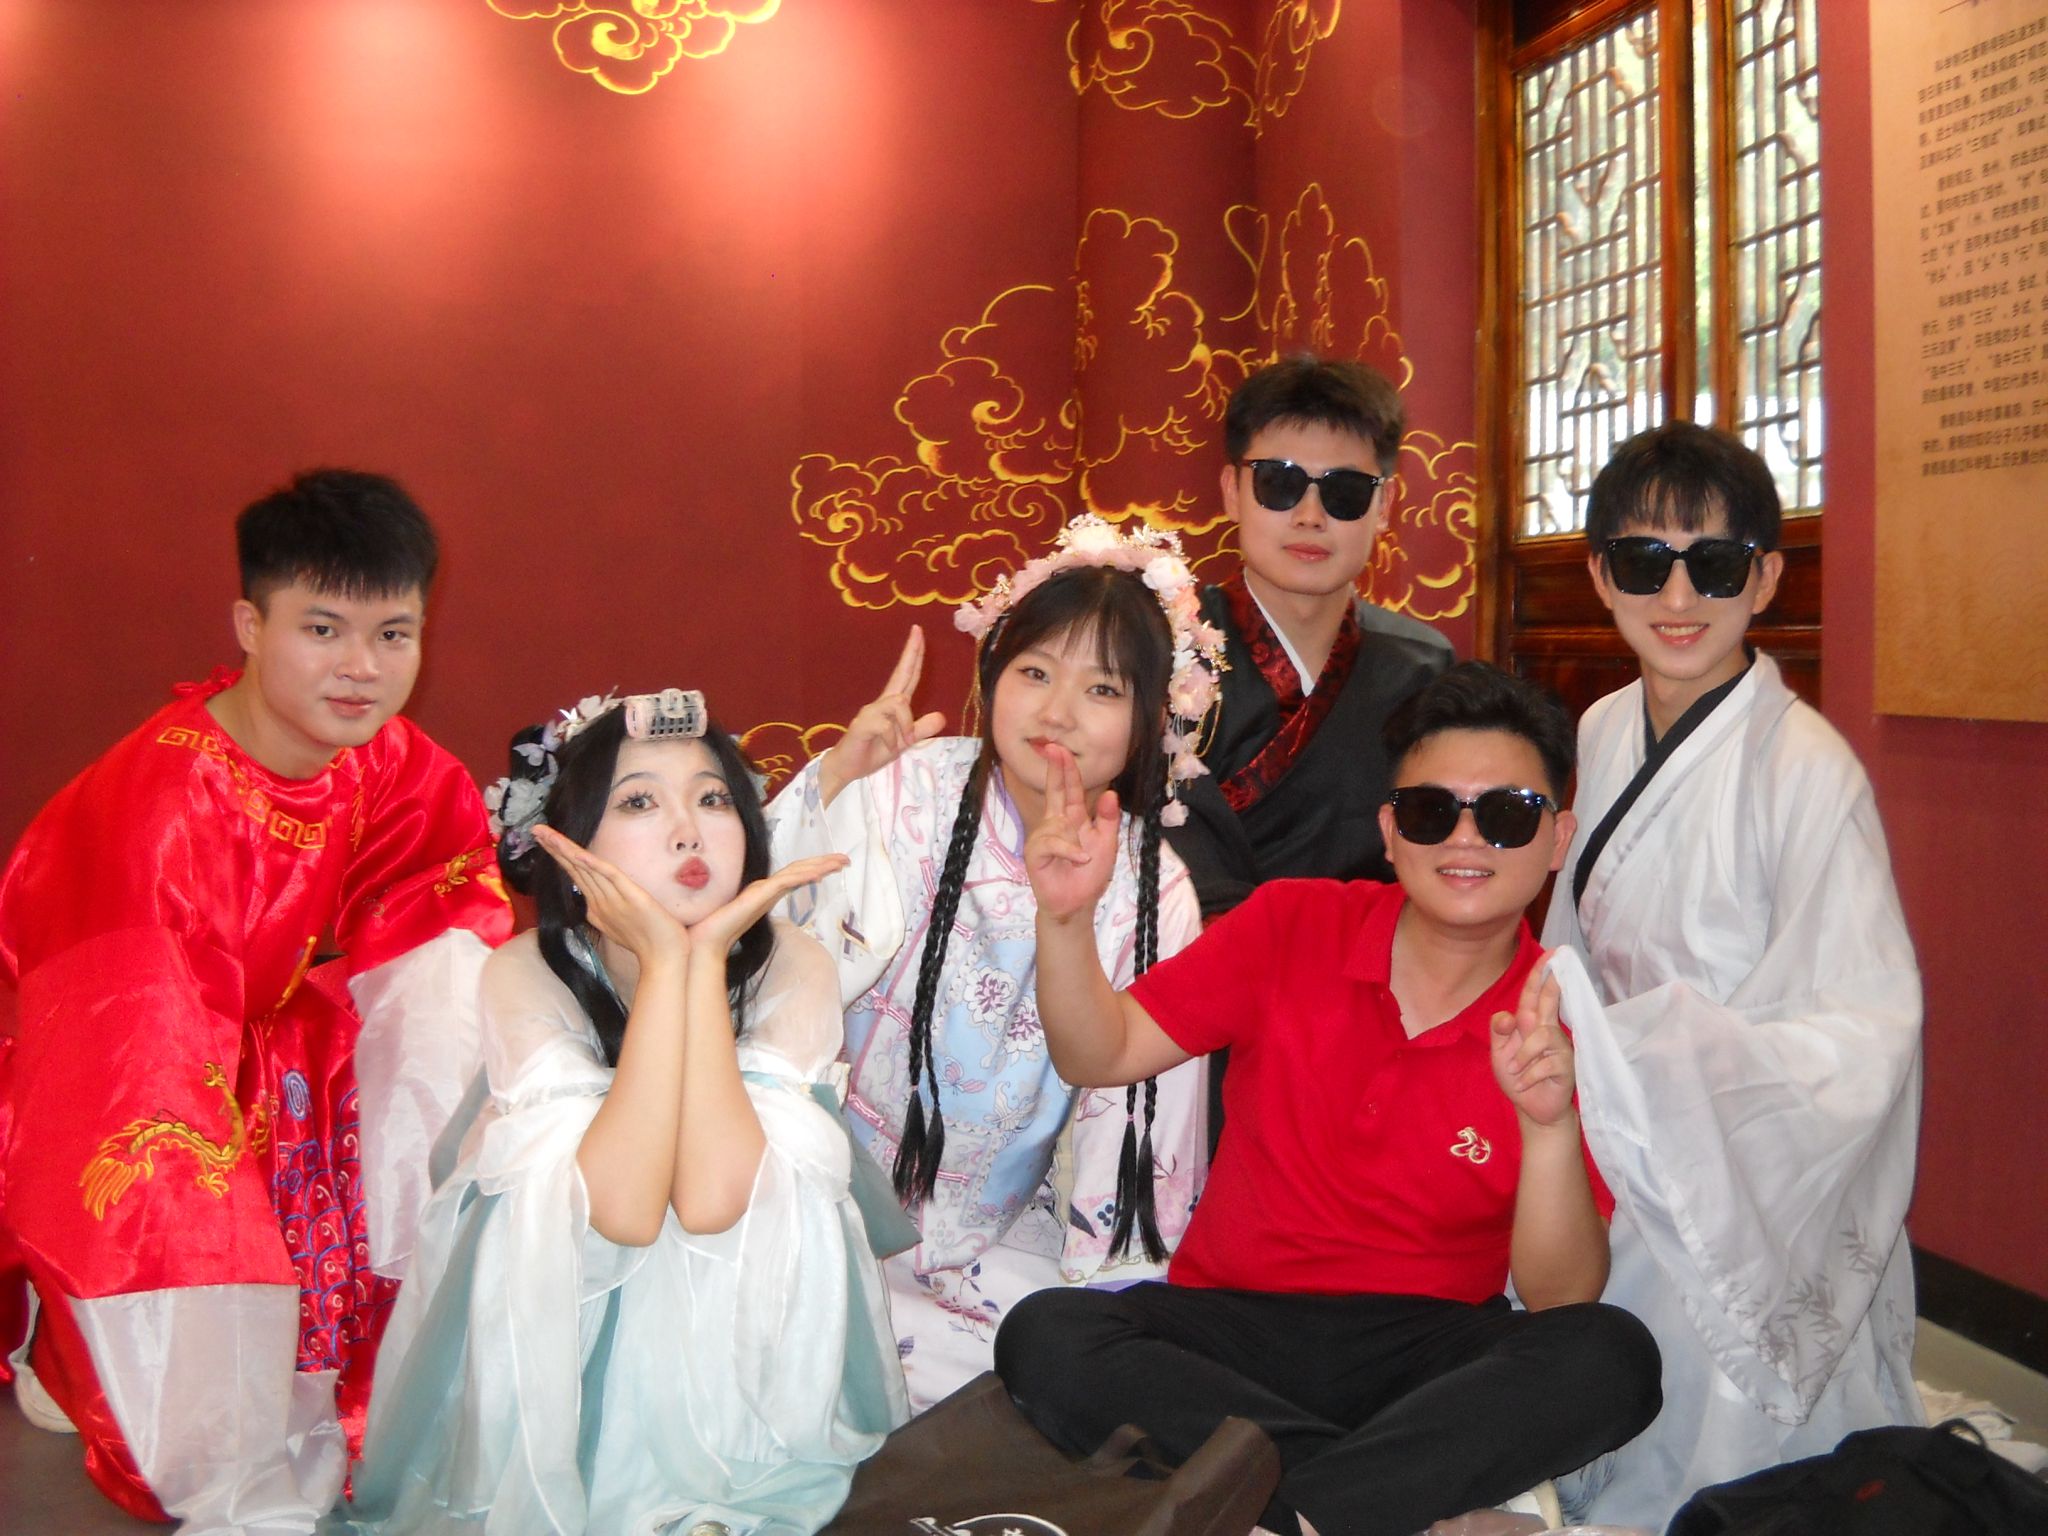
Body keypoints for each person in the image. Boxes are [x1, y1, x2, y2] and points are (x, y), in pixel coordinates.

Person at [996, 662, 1662, 1536]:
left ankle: (1282, 1504)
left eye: (1506, 814)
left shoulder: (1561, 1020)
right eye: (1431, 812)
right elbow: (1100, 1051)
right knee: (1046, 1332)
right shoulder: (1291, 924)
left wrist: (1548, 1128)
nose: (1466, 840)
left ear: (1557, 838)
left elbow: (1560, 1300)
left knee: (1611, 1356)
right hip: (1233, 1331)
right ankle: (1369, 1503)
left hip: (1422, 1350)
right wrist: (1064, 921)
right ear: (1390, 831)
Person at [0, 470, 513, 1532]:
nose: (362, 668)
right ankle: (68, 1339)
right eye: (323, 629)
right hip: (86, 1076)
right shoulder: (163, 813)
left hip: (252, 1051)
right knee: (192, 1397)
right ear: (249, 625)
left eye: (393, 634)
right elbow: (132, 1074)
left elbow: (441, 914)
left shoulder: (383, 759)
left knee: (438, 1041)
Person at [329, 690, 908, 1535]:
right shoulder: (525, 970)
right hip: (568, 1307)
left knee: (777, 1181)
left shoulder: (794, 963)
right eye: (639, 803)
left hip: (742, 1333)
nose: (689, 831)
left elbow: (716, 1203)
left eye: (714, 799)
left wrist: (702, 960)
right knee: (548, 1195)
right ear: (569, 847)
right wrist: (670, 964)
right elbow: (620, 1213)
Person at [1538, 421, 1924, 1527]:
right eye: (1642, 560)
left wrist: (1669, 1053)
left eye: (1712, 563)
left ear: (1763, 577)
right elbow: (1568, 939)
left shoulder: (1807, 769)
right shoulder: (1601, 728)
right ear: (1599, 574)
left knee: (1728, 1462)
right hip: (1616, 1129)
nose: (1677, 596)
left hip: (1748, 1163)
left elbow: (1863, 1024)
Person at [766, 515, 1219, 1410]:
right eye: (1035, 673)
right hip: (819, 1197)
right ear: (992, 678)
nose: (1057, 712)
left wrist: (1112, 1294)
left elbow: (1137, 1120)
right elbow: (759, 950)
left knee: (1044, 1383)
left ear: (1152, 720)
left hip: (994, 1231)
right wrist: (836, 784)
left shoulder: (1153, 890)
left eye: (1102, 688)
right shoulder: (903, 788)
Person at [1167, 354, 1452, 921]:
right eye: (1280, 482)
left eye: (1345, 491)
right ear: (1232, 490)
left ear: (1385, 505)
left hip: (1368, 957)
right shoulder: (1164, 650)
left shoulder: (1422, 668)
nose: (1310, 515)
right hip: (1190, 954)